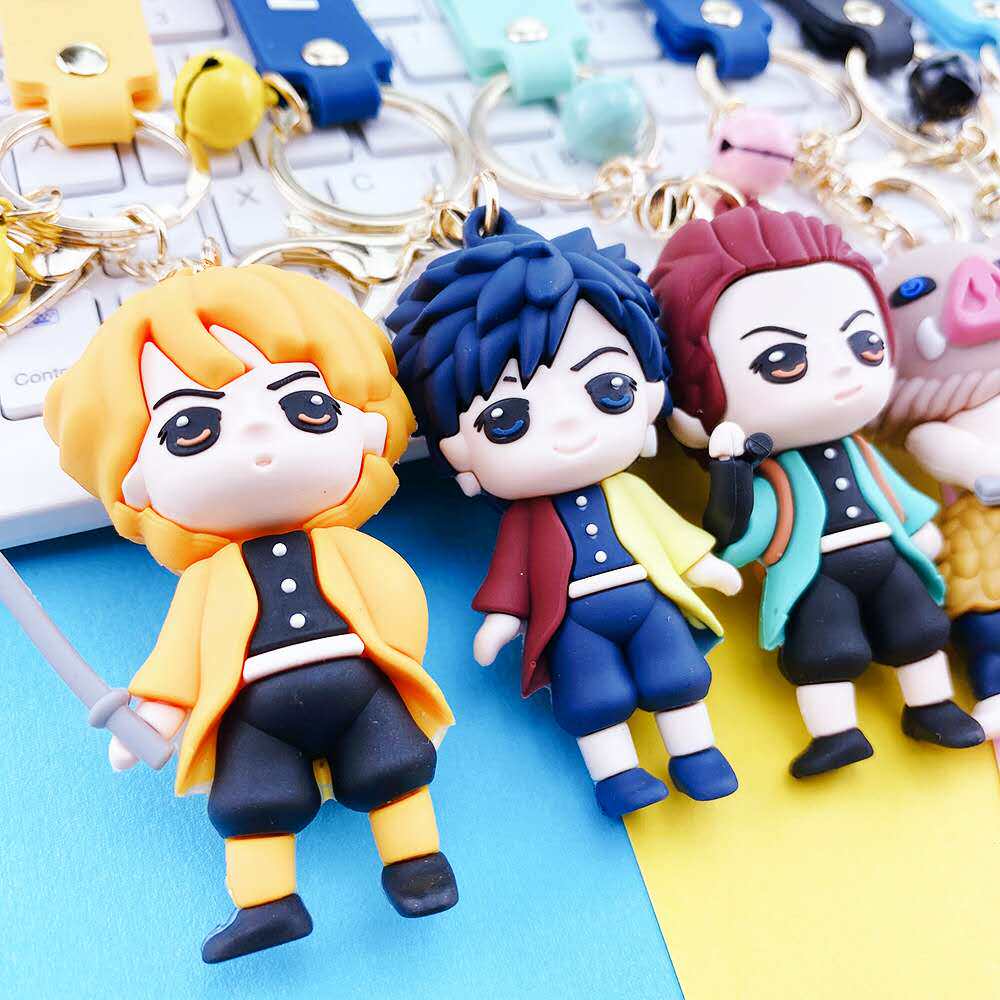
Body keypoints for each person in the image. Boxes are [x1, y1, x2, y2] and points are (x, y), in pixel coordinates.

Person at [43, 264, 457, 963]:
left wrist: (398, 663)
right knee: (251, 800)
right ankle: (266, 906)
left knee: (395, 768)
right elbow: (180, 656)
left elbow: (399, 602)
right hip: (255, 711)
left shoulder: (347, 548)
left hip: (360, 683)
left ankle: (418, 865)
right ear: (134, 482)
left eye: (306, 407)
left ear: (365, 426)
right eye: (193, 429)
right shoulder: (207, 581)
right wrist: (156, 717)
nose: (258, 435)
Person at [389, 208, 741, 818]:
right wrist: (501, 622)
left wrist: (704, 567)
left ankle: (697, 753)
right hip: (574, 622)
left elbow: (672, 536)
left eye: (609, 389)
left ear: (651, 390)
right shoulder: (522, 521)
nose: (571, 425)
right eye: (508, 419)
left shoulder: (628, 490)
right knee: (591, 696)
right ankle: (617, 777)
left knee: (676, 673)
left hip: (647, 598)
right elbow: (512, 576)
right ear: (457, 451)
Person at [650, 203, 984, 778]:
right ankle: (835, 734)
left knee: (919, 627)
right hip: (815, 571)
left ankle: (931, 707)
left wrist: (920, 529)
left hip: (888, 555)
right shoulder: (768, 471)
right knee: (823, 649)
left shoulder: (863, 450)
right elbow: (740, 535)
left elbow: (895, 495)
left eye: (864, 343)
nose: (840, 369)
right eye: (782, 359)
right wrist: (730, 472)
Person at [875, 241, 1000, 742]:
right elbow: (954, 457)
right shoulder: (933, 432)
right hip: (985, 532)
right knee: (986, 617)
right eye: (914, 293)